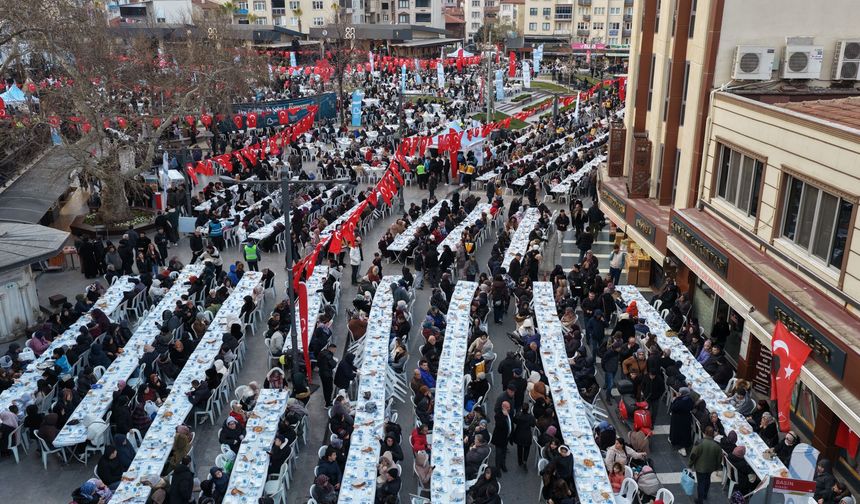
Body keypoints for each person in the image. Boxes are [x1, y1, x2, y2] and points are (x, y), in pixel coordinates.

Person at [689, 425, 723, 504]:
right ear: (713, 434)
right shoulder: (717, 445)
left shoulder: (699, 443)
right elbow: (719, 458)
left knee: (700, 483)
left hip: (700, 467)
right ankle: (705, 495)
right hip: (710, 468)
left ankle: (700, 500)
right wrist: (717, 467)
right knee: (707, 480)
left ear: (705, 433)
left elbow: (693, 455)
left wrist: (690, 464)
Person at [669, 387, 694, 456]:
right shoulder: (689, 400)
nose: (678, 393)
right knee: (685, 433)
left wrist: (674, 400)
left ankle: (681, 447)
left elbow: (673, 408)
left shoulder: (680, 401)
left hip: (678, 420)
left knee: (678, 433)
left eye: (680, 392)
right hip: (686, 419)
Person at [512, 403, 535, 470]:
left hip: (519, 434)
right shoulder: (530, 417)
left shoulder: (518, 415)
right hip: (527, 435)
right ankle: (525, 461)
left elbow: (515, 421)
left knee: (519, 448)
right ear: (528, 409)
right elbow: (533, 425)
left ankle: (520, 461)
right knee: (527, 448)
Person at [492, 400, 512, 473]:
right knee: (498, 454)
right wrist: (504, 416)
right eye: (507, 407)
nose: (509, 408)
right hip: (499, 439)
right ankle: (497, 470)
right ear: (503, 407)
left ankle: (503, 465)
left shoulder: (508, 413)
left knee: (504, 453)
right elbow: (500, 425)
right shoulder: (498, 415)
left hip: (505, 438)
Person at [317, 343, 338, 408]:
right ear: (331, 349)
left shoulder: (322, 353)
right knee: (329, 389)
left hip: (322, 373)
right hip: (327, 375)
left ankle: (327, 401)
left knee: (325, 388)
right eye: (334, 350)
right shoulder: (329, 356)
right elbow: (333, 365)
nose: (335, 351)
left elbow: (318, 364)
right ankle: (328, 403)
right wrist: (335, 361)